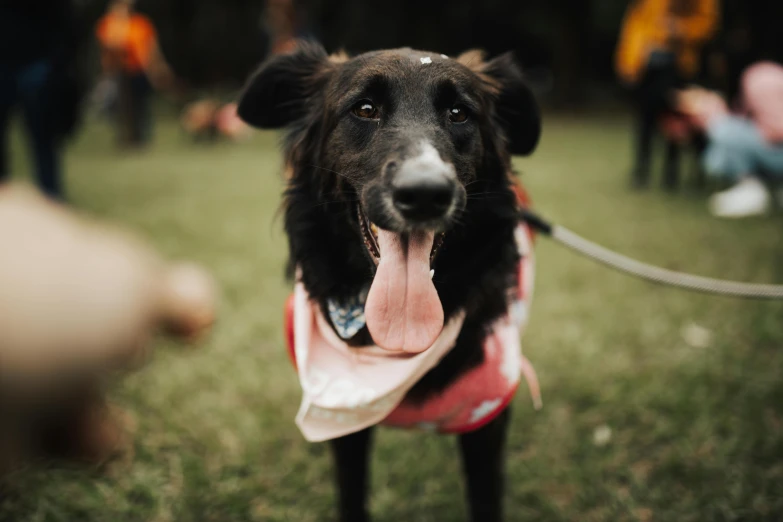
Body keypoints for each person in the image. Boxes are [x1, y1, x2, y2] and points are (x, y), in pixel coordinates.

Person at [616, 0, 720, 190]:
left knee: (677, 119)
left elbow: (708, 24)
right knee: (645, 119)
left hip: (679, 67)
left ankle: (671, 175)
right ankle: (642, 171)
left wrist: (681, 30)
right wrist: (628, 62)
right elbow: (635, 24)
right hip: (647, 68)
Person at [0, 0, 82, 201]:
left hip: (39, 63)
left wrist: (58, 63)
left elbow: (65, 18)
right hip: (10, 63)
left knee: (44, 141)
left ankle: (52, 200)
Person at [678, 62, 783, 217]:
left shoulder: (760, 78)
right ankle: (752, 189)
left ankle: (751, 190)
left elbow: (777, 130)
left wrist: (715, 118)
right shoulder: (765, 76)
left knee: (723, 129)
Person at [95, 0, 173, 147]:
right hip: (118, 73)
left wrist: (158, 67)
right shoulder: (108, 23)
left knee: (141, 106)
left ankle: (140, 139)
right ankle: (125, 138)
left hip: (139, 71)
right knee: (120, 107)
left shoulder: (141, 23)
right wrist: (120, 22)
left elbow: (151, 48)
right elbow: (112, 43)